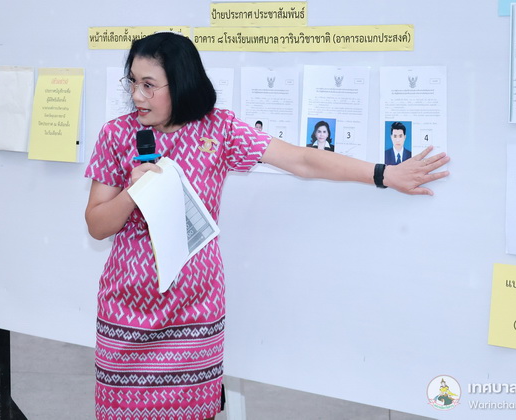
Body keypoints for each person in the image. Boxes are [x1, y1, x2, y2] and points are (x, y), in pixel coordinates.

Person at [84, 32, 449, 420]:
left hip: (194, 312)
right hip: (128, 311)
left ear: (181, 83)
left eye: (148, 85)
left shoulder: (218, 129)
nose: (136, 96)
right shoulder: (116, 135)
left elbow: (301, 161)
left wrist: (384, 174)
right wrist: (132, 193)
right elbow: (96, 225)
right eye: (133, 82)